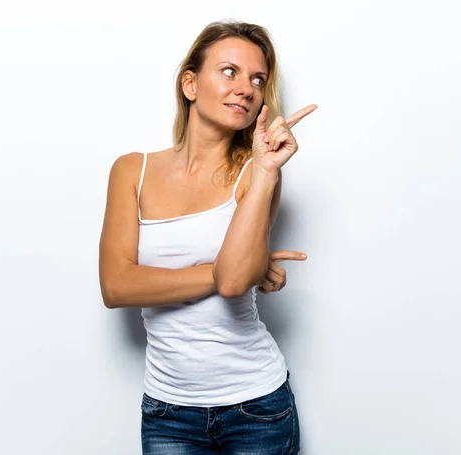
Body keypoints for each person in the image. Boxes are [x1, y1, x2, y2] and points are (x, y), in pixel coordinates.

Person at [98, 19, 317, 454]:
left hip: (256, 408)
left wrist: (268, 172)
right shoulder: (131, 170)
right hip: (167, 413)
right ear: (190, 84)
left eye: (258, 79)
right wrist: (222, 269)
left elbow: (236, 283)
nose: (247, 88)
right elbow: (117, 286)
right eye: (230, 71)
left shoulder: (258, 172)